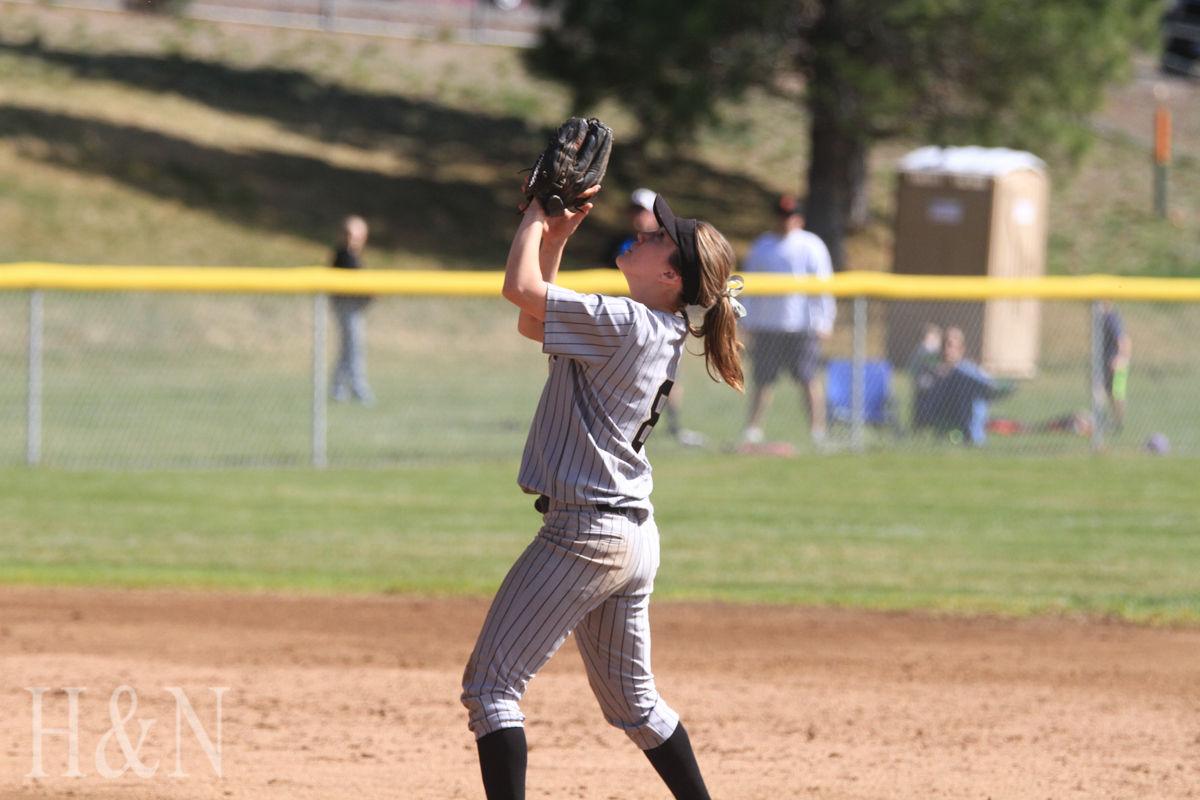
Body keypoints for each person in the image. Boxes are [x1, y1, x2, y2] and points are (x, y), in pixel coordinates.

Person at [461, 183, 744, 800]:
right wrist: (555, 238)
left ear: (670, 273)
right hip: (631, 536)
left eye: (660, 235)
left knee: (491, 688)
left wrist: (537, 216)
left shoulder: (627, 323)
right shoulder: (648, 327)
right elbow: (533, 320)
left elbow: (519, 292)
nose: (645, 231)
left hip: (584, 535)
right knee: (636, 705)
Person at [607, 188, 708, 447]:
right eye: (634, 211)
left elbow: (524, 291)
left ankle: (674, 426)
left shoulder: (666, 252)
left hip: (643, 325)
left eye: (643, 211)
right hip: (624, 323)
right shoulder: (625, 247)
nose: (638, 218)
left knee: (665, 380)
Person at [739, 195, 836, 445]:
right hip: (768, 325)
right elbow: (748, 285)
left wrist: (825, 321)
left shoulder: (811, 245)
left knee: (808, 379)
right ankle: (753, 429)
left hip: (802, 326)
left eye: (791, 216)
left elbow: (823, 286)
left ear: (799, 219)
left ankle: (818, 431)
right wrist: (746, 320)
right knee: (763, 381)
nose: (786, 222)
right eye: (782, 216)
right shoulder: (763, 245)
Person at [927, 326, 1012, 446]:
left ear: (961, 349)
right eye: (943, 345)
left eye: (950, 345)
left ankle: (971, 437)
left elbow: (992, 388)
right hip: (944, 429)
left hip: (970, 431)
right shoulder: (936, 371)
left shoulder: (968, 371)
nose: (946, 350)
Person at [329, 215, 374, 405]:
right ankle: (356, 387)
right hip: (346, 307)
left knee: (351, 348)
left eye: (357, 235)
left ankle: (340, 387)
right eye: (349, 234)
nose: (353, 239)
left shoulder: (353, 256)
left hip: (353, 308)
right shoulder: (344, 256)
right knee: (353, 347)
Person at [1099, 300, 1132, 431]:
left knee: (1117, 394)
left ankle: (1118, 423)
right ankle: (1105, 421)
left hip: (1116, 363)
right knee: (1102, 391)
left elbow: (1124, 340)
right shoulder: (1101, 318)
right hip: (1105, 363)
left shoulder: (1111, 318)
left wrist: (1122, 358)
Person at [908, 323, 943, 431]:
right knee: (921, 406)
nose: (935, 341)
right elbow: (931, 366)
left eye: (937, 338)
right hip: (924, 383)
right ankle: (919, 425)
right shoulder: (924, 350)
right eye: (931, 338)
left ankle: (925, 424)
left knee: (928, 406)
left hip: (930, 384)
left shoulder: (933, 351)